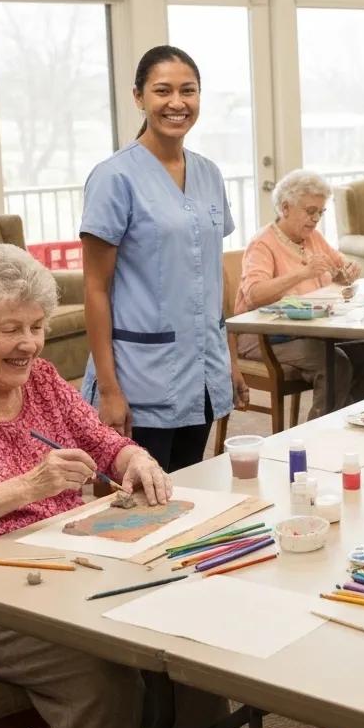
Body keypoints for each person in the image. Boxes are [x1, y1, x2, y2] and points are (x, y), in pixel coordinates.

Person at [0, 244, 264, 728]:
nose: (30, 343)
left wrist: (135, 458)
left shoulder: (43, 380)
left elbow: (104, 443)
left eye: (36, 325)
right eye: (10, 329)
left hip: (70, 562)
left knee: (192, 622)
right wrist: (27, 486)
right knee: (99, 671)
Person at [81, 45, 248, 472]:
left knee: (192, 489)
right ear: (139, 97)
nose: (177, 103)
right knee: (137, 503)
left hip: (204, 371)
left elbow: (215, 275)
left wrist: (229, 359)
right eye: (163, 90)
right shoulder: (114, 177)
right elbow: (96, 289)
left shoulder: (209, 173)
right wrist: (111, 389)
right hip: (140, 375)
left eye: (188, 91)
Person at [234, 169, 364, 418]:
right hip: (266, 337)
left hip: (314, 331)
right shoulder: (263, 244)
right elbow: (254, 294)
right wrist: (302, 274)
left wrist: (347, 272)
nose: (316, 218)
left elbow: (340, 267)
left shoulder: (312, 237)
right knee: (335, 363)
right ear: (285, 208)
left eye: (321, 212)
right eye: (310, 211)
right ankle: (321, 438)